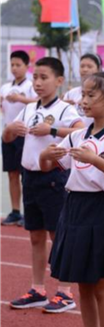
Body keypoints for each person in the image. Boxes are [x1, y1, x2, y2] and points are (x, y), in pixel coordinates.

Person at [39, 72, 104, 327]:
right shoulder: (78, 135)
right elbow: (48, 164)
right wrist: (47, 155)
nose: (84, 100)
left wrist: (95, 160)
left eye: (92, 95)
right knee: (83, 284)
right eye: (83, 94)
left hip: (100, 209)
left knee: (102, 286)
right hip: (74, 208)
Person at [3, 57, 85, 313]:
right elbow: (6, 137)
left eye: (44, 77)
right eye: (36, 77)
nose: (38, 83)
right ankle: (38, 289)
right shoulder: (28, 108)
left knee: (57, 234)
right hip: (31, 178)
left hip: (52, 178)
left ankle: (65, 291)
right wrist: (10, 131)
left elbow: (81, 131)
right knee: (36, 236)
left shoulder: (64, 109)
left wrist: (51, 131)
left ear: (59, 81)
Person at [1, 50, 37, 226]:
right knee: (12, 174)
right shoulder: (5, 87)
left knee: (26, 175)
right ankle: (15, 211)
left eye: (18, 65)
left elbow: (38, 102)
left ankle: (28, 212)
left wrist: (20, 99)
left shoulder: (30, 86)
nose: (14, 68)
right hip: (8, 134)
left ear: (26, 66)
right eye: (12, 65)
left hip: (24, 135)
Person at [63, 54, 104, 127]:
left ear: (99, 69)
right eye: (82, 66)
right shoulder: (71, 93)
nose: (85, 69)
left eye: (89, 66)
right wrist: (63, 106)